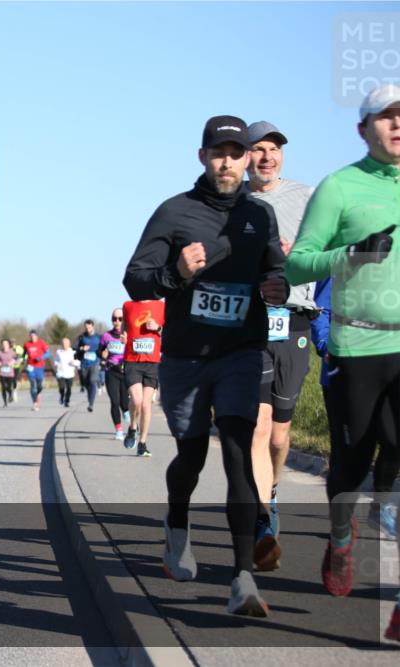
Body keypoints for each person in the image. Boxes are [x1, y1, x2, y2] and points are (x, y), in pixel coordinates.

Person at [124, 115, 288, 617]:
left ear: (246, 160)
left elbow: (273, 270)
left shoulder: (260, 216)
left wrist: (276, 285)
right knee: (191, 456)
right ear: (202, 157)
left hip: (242, 352)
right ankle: (177, 526)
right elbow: (135, 281)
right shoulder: (174, 213)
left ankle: (242, 579)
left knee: (239, 452)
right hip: (186, 358)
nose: (228, 161)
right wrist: (176, 272)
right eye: (218, 152)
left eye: (236, 153)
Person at [285, 85, 400, 636]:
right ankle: (340, 539)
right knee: (351, 468)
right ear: (363, 129)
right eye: (387, 117)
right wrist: (351, 254)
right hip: (358, 347)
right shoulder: (340, 187)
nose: (398, 124)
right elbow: (297, 266)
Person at [244, 121, 319, 571]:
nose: (266, 157)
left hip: (294, 321)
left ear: (282, 156)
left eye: (273, 149)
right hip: (250, 324)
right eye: (258, 150)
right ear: (245, 157)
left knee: (279, 434)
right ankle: (262, 520)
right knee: (257, 424)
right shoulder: (233, 204)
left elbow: (332, 251)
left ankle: (271, 489)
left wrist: (300, 256)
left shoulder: (308, 198)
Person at [310, 277, 398, 540]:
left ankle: (380, 505)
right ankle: (341, 527)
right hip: (343, 372)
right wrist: (327, 345)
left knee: (394, 442)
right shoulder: (343, 258)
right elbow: (320, 310)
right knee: (347, 453)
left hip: (388, 371)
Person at [122, 299, 165, 457]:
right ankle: (133, 427)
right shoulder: (128, 305)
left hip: (152, 362)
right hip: (132, 361)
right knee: (137, 400)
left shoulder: (161, 306)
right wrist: (123, 335)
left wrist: (158, 328)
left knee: (146, 404)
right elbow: (125, 327)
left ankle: (142, 443)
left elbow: (171, 332)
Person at [99, 309, 130, 441]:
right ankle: (119, 430)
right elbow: (99, 351)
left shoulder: (129, 334)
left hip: (126, 371)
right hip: (111, 371)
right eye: (114, 318)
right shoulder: (106, 336)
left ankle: (130, 422)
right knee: (114, 402)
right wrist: (102, 355)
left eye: (120, 318)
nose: (117, 321)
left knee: (125, 404)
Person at [76, 320, 101, 412]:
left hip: (95, 362)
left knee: (92, 381)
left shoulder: (98, 337)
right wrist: (82, 348)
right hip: (84, 363)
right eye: (86, 327)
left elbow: (103, 347)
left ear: (93, 326)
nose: (88, 329)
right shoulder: (82, 337)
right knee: (86, 382)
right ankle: (90, 394)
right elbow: (75, 347)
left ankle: (91, 404)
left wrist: (103, 356)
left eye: (89, 327)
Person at [22, 330, 50, 410]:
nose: (32, 337)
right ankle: (35, 402)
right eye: (31, 336)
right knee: (32, 385)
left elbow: (48, 353)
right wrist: (22, 359)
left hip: (40, 367)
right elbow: (24, 355)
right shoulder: (26, 344)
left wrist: (41, 358)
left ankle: (38, 396)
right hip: (30, 367)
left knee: (39, 385)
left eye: (34, 336)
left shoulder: (41, 343)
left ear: (37, 336)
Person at [54, 337, 79, 407]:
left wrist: (73, 363)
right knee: (61, 387)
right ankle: (62, 396)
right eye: (63, 343)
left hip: (70, 373)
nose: (64, 345)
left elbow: (78, 362)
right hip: (61, 373)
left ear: (69, 344)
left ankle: (67, 401)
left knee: (69, 389)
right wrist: (56, 365)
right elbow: (55, 360)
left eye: (66, 343)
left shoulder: (73, 352)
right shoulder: (59, 352)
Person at [0, 339, 19, 407]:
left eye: (6, 344)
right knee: (3, 387)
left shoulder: (12, 352)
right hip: (2, 373)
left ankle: (10, 394)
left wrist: (13, 362)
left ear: (8, 345)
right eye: (3, 344)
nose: (4, 345)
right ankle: (5, 403)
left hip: (10, 373)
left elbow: (17, 360)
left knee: (8, 386)